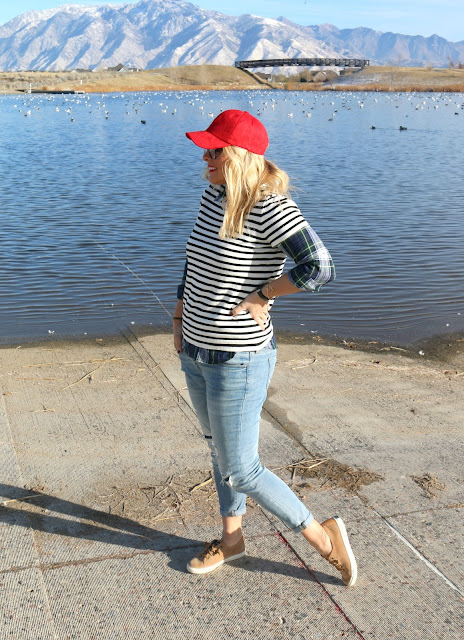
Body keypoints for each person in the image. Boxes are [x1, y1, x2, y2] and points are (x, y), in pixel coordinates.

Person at [173, 109, 357, 586]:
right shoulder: (215, 196)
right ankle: (232, 539)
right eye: (206, 150)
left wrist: (265, 293)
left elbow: (320, 266)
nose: (205, 159)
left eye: (214, 151)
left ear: (238, 156)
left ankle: (324, 539)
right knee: (219, 453)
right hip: (196, 349)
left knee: (242, 469)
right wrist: (179, 318)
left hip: (239, 358)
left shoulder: (271, 207)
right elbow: (195, 261)